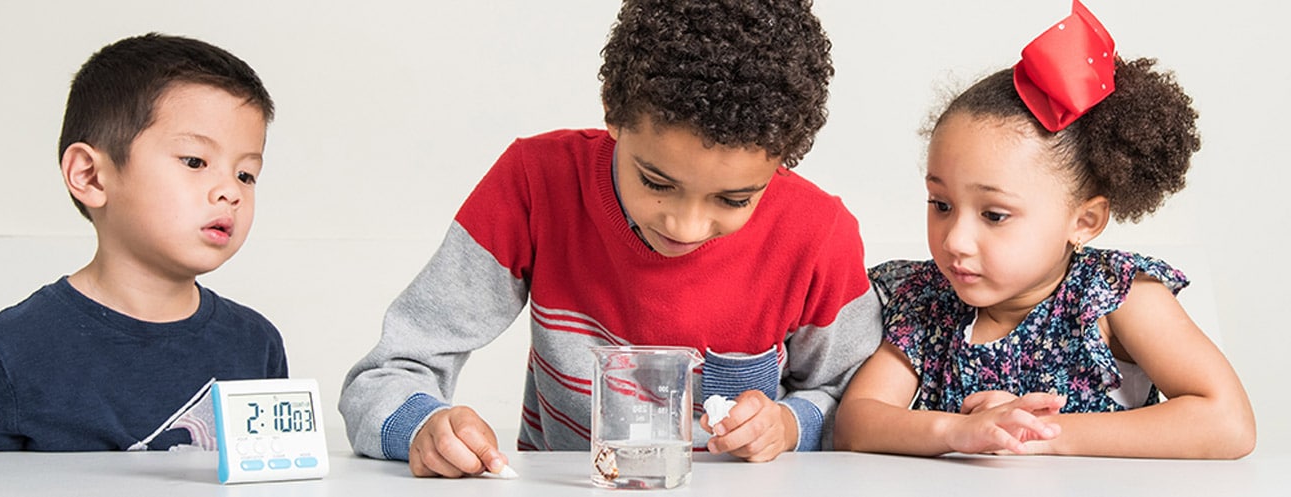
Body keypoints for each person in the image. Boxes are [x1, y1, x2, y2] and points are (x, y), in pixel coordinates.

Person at [341, 0, 882, 478]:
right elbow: (386, 375)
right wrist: (424, 426)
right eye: (655, 182)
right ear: (614, 114)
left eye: (733, 200)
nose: (684, 226)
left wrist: (787, 424)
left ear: (780, 160)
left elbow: (858, 403)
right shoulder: (536, 183)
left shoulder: (818, 235)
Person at [834, 1, 1255, 458]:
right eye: (941, 204)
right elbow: (856, 423)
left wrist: (1035, 436)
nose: (954, 240)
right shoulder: (927, 303)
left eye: (994, 215)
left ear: (1084, 221)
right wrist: (958, 432)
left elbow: (1228, 422)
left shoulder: (1115, 298)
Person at [0, 33, 287, 451]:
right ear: (90, 175)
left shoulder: (256, 343)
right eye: (195, 161)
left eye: (246, 174)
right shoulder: (13, 348)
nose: (231, 191)